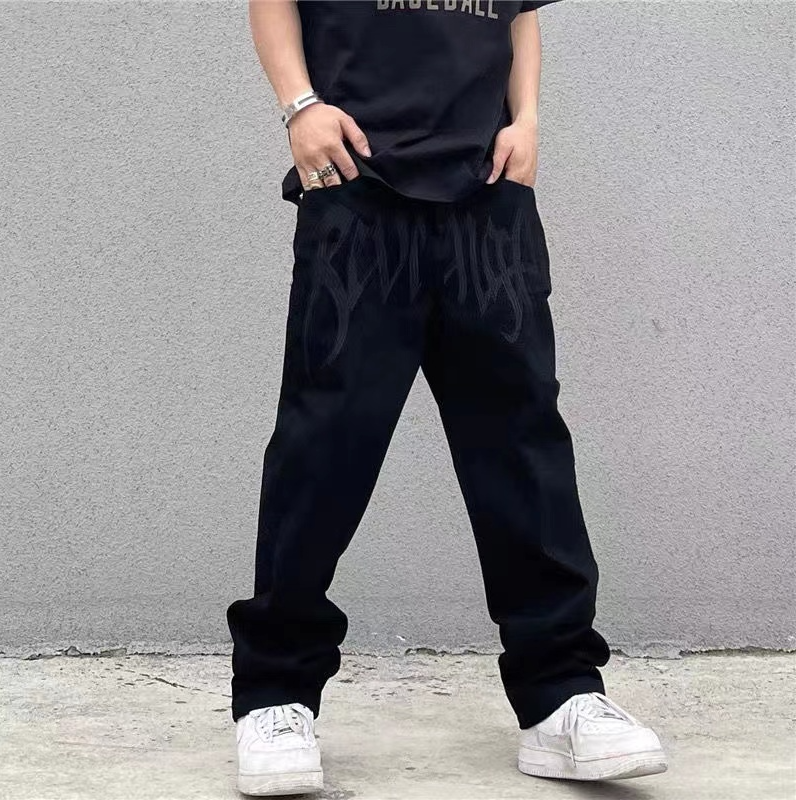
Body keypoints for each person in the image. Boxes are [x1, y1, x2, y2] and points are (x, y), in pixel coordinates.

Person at [226, 0, 668, 795]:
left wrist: (527, 120)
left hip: (488, 199)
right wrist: (300, 106)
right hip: (359, 192)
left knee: (523, 445)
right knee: (324, 445)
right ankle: (275, 696)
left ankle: (561, 695)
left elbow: (520, 16)